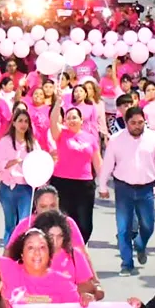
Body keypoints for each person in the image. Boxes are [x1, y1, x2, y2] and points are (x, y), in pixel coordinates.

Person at [98, 106, 155, 276]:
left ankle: (140, 244)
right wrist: (102, 186)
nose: (137, 126)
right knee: (123, 228)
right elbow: (107, 164)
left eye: (140, 122)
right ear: (126, 122)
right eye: (133, 123)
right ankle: (127, 263)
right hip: (123, 188)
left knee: (148, 225)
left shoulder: (153, 138)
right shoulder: (116, 139)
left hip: (146, 188)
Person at [48, 93, 103, 243]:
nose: (72, 120)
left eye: (74, 117)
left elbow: (98, 162)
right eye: (69, 117)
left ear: (81, 120)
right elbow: (53, 121)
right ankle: (66, 251)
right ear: (65, 121)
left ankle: (79, 247)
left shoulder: (90, 138)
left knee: (85, 225)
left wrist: (103, 185)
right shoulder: (61, 134)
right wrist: (58, 103)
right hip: (62, 182)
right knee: (64, 221)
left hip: (84, 184)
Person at [0, 110, 40, 246]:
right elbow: (0, 164)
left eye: (26, 121)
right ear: (13, 123)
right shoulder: (5, 142)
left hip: (26, 188)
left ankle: (22, 251)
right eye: (20, 120)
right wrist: (13, 161)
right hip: (8, 187)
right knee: (10, 223)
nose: (23, 124)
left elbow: (38, 163)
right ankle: (8, 251)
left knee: (24, 223)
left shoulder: (33, 143)